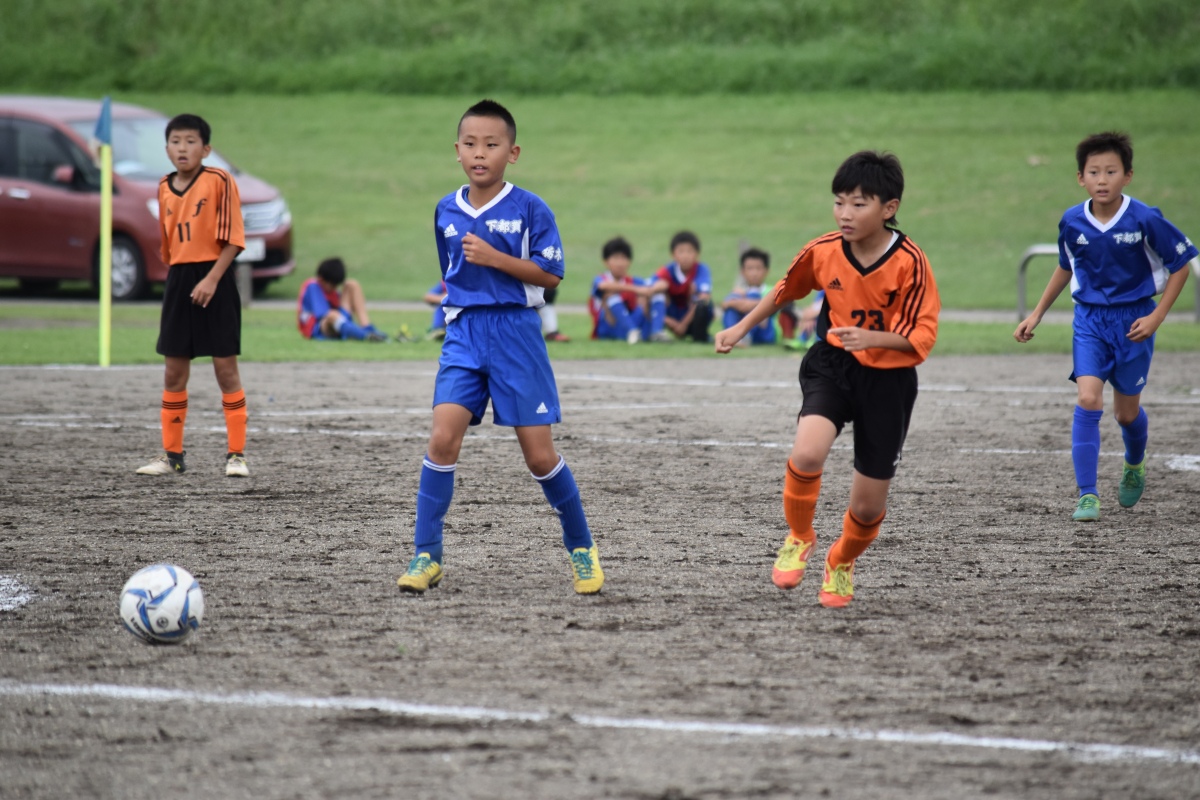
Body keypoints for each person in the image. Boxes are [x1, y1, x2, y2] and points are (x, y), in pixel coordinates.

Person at [396, 99, 604, 596]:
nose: (479, 153)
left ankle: (582, 547)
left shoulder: (530, 208)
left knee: (540, 457)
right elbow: (452, 273)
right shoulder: (446, 209)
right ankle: (426, 554)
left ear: (512, 153)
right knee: (442, 439)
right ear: (456, 150)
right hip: (465, 334)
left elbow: (551, 274)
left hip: (516, 335)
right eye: (470, 144)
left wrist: (495, 258)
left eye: (491, 144)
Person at [715, 151, 940, 608]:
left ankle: (841, 561)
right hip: (833, 365)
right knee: (807, 452)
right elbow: (785, 291)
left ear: (889, 208)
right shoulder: (823, 250)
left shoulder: (910, 262)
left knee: (868, 507)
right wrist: (740, 327)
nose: (845, 214)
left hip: (889, 381)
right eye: (839, 202)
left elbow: (922, 335)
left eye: (858, 204)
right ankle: (800, 536)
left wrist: (873, 338)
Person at [1014, 131, 1196, 522]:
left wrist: (1157, 316)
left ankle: (1134, 462)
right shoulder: (1072, 221)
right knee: (1087, 399)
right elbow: (1066, 266)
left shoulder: (1144, 218)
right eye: (1093, 172)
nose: (1102, 179)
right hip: (1090, 321)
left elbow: (1181, 265)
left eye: (1111, 171)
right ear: (1080, 177)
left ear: (1127, 175)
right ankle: (1088, 495)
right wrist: (1037, 313)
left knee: (1126, 414)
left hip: (1134, 321)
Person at [137, 114, 251, 478]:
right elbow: (167, 248)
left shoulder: (220, 180)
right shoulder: (163, 187)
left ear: (206, 149)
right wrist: (178, 280)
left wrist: (211, 279)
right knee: (173, 371)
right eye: (175, 141)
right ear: (167, 148)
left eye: (190, 141)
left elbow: (234, 240)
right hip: (179, 280)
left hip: (216, 278)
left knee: (225, 368)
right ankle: (171, 456)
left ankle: (236, 456)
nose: (182, 148)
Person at [589, 235, 667, 343]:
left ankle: (656, 332)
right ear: (606, 262)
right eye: (616, 258)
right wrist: (637, 290)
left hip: (632, 321)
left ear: (629, 261)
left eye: (623, 258)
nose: (620, 263)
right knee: (611, 296)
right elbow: (603, 286)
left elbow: (663, 284)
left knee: (658, 296)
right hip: (609, 327)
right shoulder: (601, 279)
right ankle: (632, 331)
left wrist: (649, 291)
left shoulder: (633, 280)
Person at [296, 257, 389, 342]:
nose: (335, 288)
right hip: (318, 327)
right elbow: (323, 315)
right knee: (332, 315)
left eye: (336, 285)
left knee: (352, 284)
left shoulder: (332, 292)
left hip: (339, 322)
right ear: (321, 280)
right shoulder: (313, 286)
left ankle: (367, 327)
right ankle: (365, 336)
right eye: (333, 285)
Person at [650, 230, 714, 342]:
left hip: (691, 316)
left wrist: (683, 325)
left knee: (703, 303)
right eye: (681, 251)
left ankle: (700, 337)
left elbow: (704, 297)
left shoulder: (701, 269)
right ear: (673, 254)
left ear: (697, 254)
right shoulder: (666, 271)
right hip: (673, 315)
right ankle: (657, 332)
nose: (685, 256)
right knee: (657, 294)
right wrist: (668, 320)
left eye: (689, 251)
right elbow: (648, 289)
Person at [721, 247, 777, 345]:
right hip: (743, 328)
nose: (754, 273)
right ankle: (732, 337)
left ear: (766, 271)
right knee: (733, 300)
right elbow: (724, 305)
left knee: (753, 295)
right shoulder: (739, 291)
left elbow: (776, 304)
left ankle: (743, 338)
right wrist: (736, 302)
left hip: (764, 333)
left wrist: (751, 303)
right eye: (750, 269)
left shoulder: (772, 290)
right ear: (742, 272)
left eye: (758, 268)